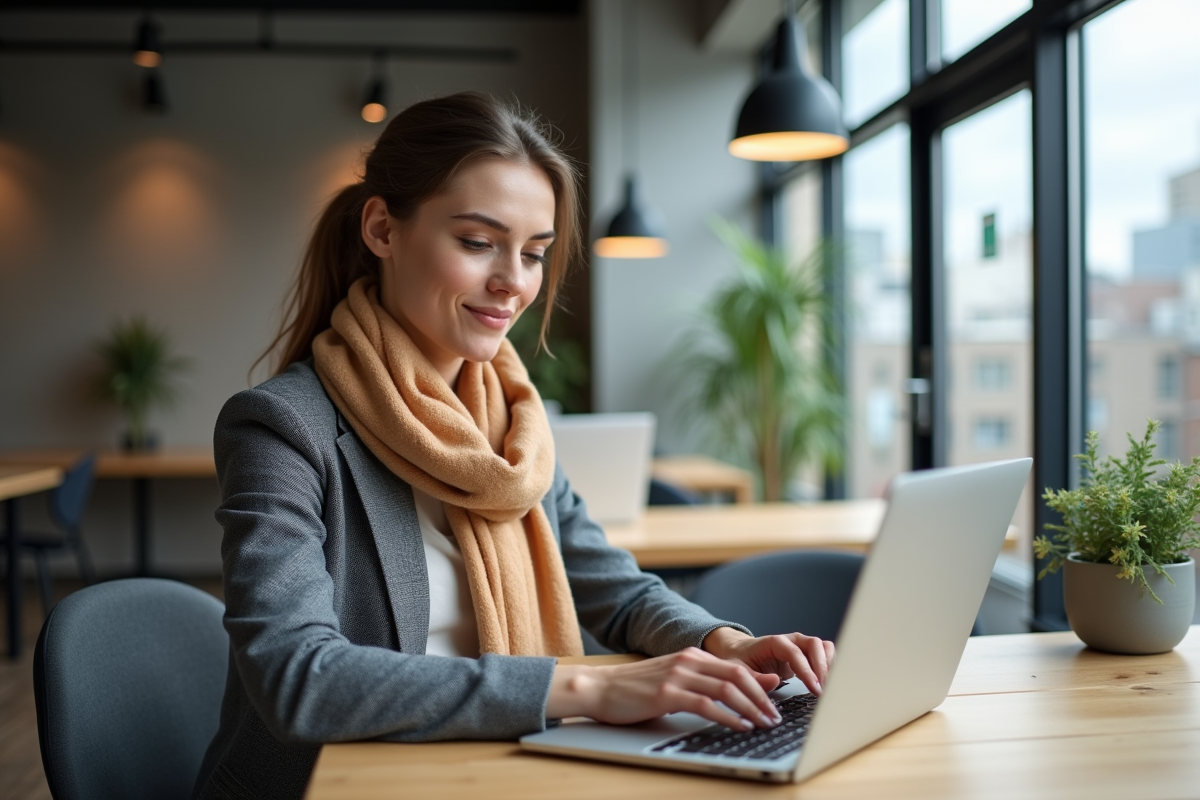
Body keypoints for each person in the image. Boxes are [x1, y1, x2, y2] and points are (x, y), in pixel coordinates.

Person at [192, 92, 834, 800]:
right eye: (476, 243)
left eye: (534, 253)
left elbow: (615, 591)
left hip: (495, 767)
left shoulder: (511, 424)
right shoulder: (284, 427)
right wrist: (585, 686)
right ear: (382, 228)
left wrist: (723, 642)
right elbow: (298, 680)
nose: (513, 283)